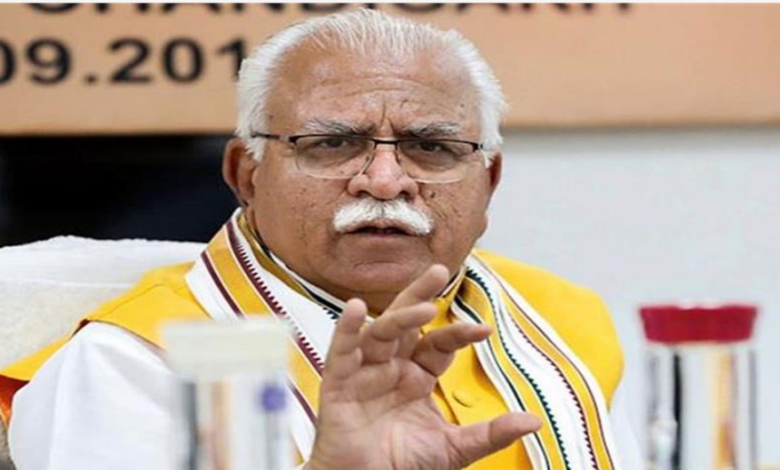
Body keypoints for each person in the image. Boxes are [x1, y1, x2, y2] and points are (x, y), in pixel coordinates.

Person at [0, 9, 639, 470]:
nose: (385, 181)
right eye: (332, 143)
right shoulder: (133, 364)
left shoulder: (562, 321)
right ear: (246, 175)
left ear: (489, 181)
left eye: (431, 147)